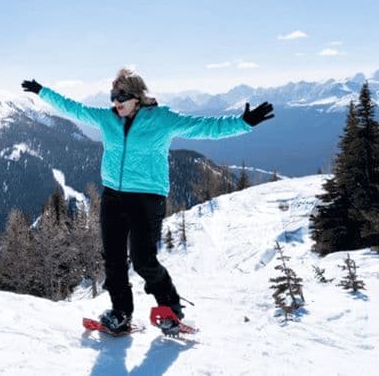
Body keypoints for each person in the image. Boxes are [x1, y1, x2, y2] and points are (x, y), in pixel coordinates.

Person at [21, 68, 274, 334]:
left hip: (147, 198)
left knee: (143, 260)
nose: (116, 102)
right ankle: (121, 312)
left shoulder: (162, 119)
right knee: (113, 260)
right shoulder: (107, 119)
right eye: (113, 96)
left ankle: (170, 308)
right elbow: (73, 108)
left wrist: (244, 123)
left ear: (138, 96)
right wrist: (42, 91)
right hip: (112, 197)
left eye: (122, 96)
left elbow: (204, 127)